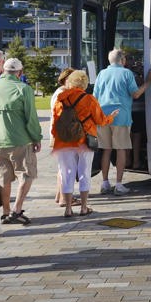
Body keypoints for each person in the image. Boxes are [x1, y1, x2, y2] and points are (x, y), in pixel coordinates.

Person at [0, 57, 42, 225]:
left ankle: (6, 211)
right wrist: (36, 137)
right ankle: (17, 209)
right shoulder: (24, 89)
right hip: (21, 140)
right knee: (26, 174)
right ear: (20, 73)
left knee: (3, 178)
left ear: (3, 71)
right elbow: (31, 118)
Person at [52, 70, 117, 217]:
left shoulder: (60, 99)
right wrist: (111, 118)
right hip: (84, 141)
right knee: (84, 173)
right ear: (84, 83)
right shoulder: (89, 99)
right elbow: (100, 120)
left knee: (66, 173)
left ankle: (68, 209)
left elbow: (55, 122)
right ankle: (83, 207)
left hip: (64, 141)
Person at [93, 48, 151, 196]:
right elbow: (136, 94)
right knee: (121, 149)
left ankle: (105, 183)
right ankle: (119, 184)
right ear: (123, 60)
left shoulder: (101, 74)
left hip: (102, 117)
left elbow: (94, 96)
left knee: (106, 150)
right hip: (120, 117)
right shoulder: (126, 73)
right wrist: (148, 82)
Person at [50, 67, 76, 207]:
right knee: (66, 168)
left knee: (62, 167)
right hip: (62, 135)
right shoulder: (63, 94)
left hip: (58, 134)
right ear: (67, 80)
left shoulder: (60, 92)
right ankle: (65, 199)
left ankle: (59, 195)